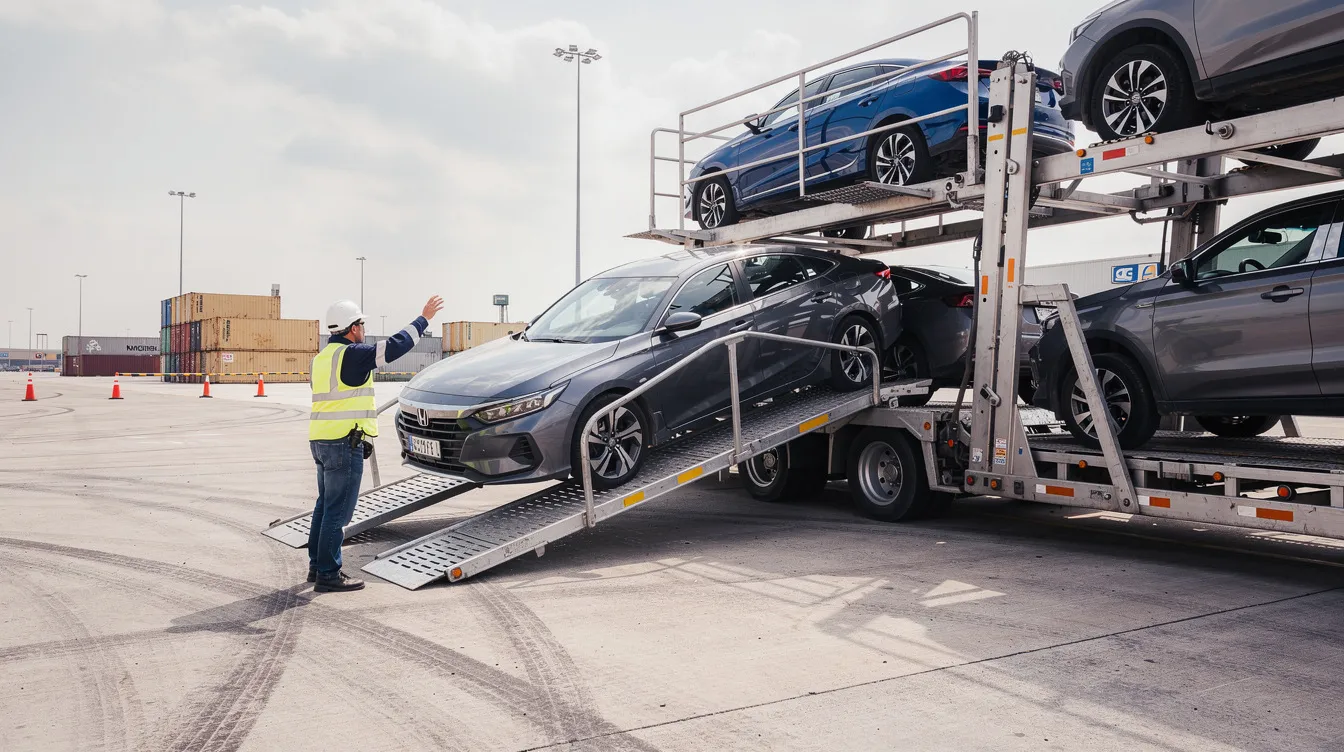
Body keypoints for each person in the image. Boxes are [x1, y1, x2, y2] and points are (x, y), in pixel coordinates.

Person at [307, 295, 444, 592]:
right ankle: (329, 575)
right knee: (338, 511)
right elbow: (395, 346)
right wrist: (424, 319)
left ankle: (316, 567)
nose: (364, 329)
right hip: (343, 443)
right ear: (351, 328)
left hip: (321, 441)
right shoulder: (352, 355)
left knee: (324, 504)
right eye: (361, 324)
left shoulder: (320, 359)